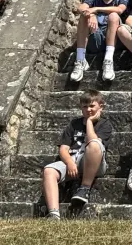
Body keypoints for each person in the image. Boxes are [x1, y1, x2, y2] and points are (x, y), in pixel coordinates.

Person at [41, 89, 113, 219]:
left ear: (101, 107)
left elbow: (93, 142)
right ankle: (54, 213)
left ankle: (84, 188)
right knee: (48, 171)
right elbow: (63, 149)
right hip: (73, 160)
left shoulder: (105, 124)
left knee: (94, 144)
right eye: (85, 107)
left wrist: (90, 122)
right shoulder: (74, 124)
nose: (88, 110)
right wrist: (69, 163)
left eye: (92, 106)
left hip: (94, 162)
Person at [70, 0, 128, 82]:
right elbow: (81, 8)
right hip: (96, 38)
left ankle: (108, 61)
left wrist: (95, 9)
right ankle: (80, 60)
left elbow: (120, 9)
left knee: (114, 16)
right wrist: (91, 15)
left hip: (115, 40)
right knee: (84, 16)